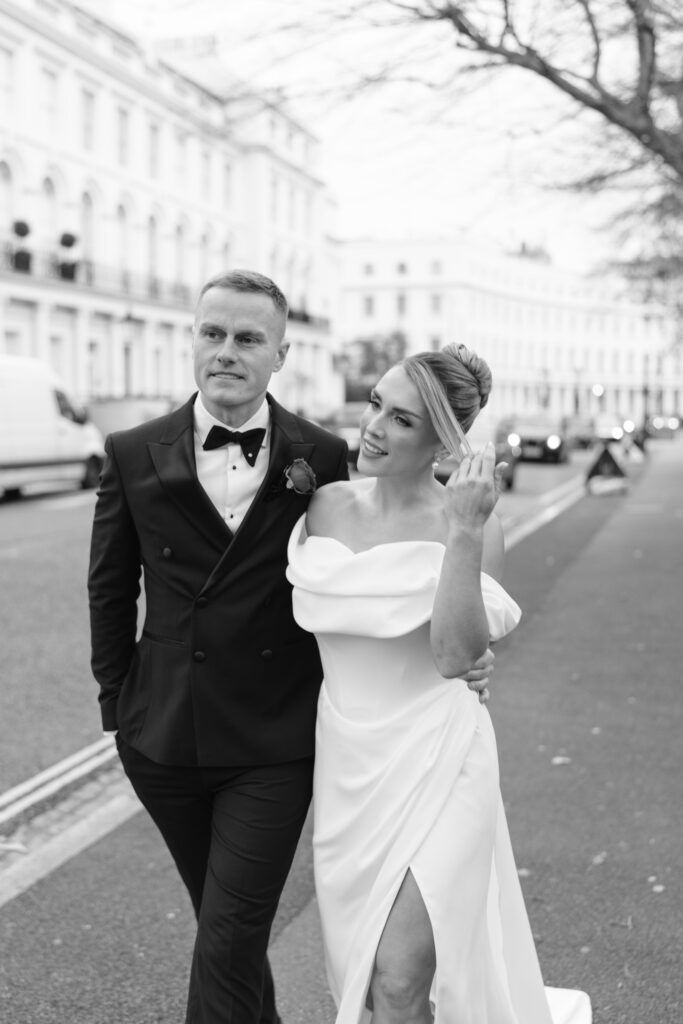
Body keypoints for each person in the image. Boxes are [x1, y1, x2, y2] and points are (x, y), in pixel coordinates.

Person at [88, 269, 495, 1024]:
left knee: (231, 933)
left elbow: (404, 567)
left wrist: (469, 649)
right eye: (212, 333)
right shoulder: (132, 449)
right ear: (193, 339)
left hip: (275, 740)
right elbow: (109, 590)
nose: (227, 353)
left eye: (248, 339)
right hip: (163, 735)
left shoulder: (322, 456)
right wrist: (118, 708)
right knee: (225, 933)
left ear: (281, 353)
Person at [286, 343, 592, 1024]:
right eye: (374, 405)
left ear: (440, 440)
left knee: (400, 977)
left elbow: (457, 654)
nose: (372, 427)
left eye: (400, 419)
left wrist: (462, 530)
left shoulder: (475, 528)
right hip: (348, 766)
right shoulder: (324, 507)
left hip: (442, 758)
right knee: (368, 982)